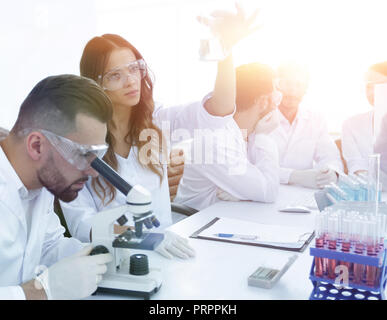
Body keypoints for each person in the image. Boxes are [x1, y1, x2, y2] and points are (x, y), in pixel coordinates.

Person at [60, 6, 258, 247]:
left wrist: (225, 54)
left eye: (134, 68)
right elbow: (81, 224)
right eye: (115, 75)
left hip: (168, 250)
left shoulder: (157, 121)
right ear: (96, 84)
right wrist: (142, 238)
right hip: (113, 258)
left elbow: (219, 111)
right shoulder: (76, 145)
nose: (131, 80)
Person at [0, 75, 113, 300]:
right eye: (83, 154)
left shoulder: (38, 182)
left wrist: (106, 256)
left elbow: (49, 245)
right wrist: (38, 293)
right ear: (36, 145)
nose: (92, 171)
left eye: (96, 156)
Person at [174, 62, 281, 210]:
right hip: (198, 225)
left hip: (224, 217)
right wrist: (264, 138)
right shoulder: (216, 139)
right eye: (276, 96)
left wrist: (245, 193)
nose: (277, 105)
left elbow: (262, 177)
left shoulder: (242, 132)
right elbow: (268, 190)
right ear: (263, 102)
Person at [269, 62, 343, 189]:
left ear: (306, 89)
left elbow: (330, 156)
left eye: (299, 85)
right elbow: (253, 166)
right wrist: (294, 176)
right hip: (265, 191)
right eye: (287, 83)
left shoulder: (316, 119)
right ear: (276, 85)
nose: (292, 90)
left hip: (303, 194)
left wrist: (331, 171)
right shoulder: (260, 118)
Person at [342, 61, 387, 177]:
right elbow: (356, 165)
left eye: (380, 85)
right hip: (369, 191)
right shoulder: (351, 125)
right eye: (369, 87)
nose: (372, 93)